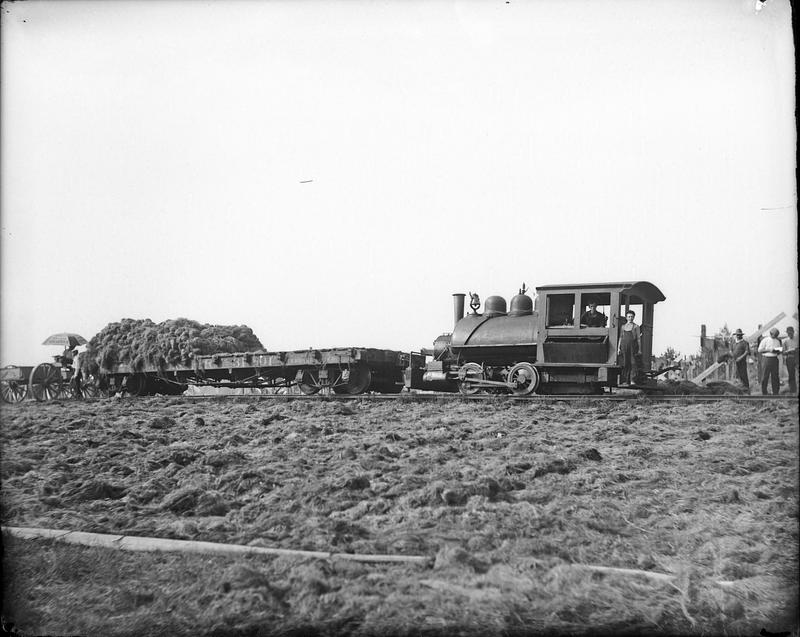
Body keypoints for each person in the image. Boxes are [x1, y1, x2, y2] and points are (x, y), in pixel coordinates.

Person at [617, 310, 641, 386]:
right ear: (626, 317)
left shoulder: (636, 326)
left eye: (632, 317)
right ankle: (625, 381)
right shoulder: (623, 327)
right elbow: (620, 337)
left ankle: (632, 380)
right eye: (629, 316)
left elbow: (638, 339)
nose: (630, 318)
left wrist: (640, 349)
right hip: (624, 347)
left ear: (634, 317)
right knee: (625, 363)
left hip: (633, 347)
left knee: (633, 363)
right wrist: (618, 348)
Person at [757, 328, 782, 395]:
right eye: (775, 335)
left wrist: (778, 351)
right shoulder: (765, 340)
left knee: (775, 376)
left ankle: (775, 392)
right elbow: (759, 350)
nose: (776, 336)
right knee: (765, 376)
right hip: (766, 359)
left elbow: (779, 350)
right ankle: (764, 392)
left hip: (775, 359)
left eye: (777, 335)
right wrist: (769, 350)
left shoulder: (777, 341)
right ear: (771, 333)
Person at [783, 326, 798, 394]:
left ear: (793, 332)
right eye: (788, 333)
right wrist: (788, 351)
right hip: (789, 358)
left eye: (791, 333)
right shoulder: (785, 340)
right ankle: (793, 390)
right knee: (791, 375)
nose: (790, 334)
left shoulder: (797, 339)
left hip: (797, 358)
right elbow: (783, 351)